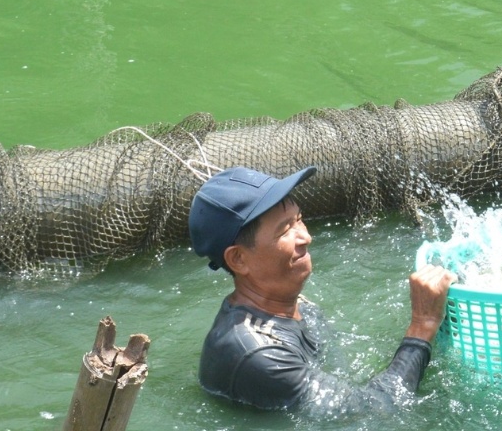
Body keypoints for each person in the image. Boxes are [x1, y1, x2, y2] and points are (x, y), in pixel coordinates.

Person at [188, 165, 456, 414]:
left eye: (299, 219)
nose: (306, 237)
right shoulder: (257, 355)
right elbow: (377, 411)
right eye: (285, 230)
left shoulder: (292, 302)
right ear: (238, 259)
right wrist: (423, 325)